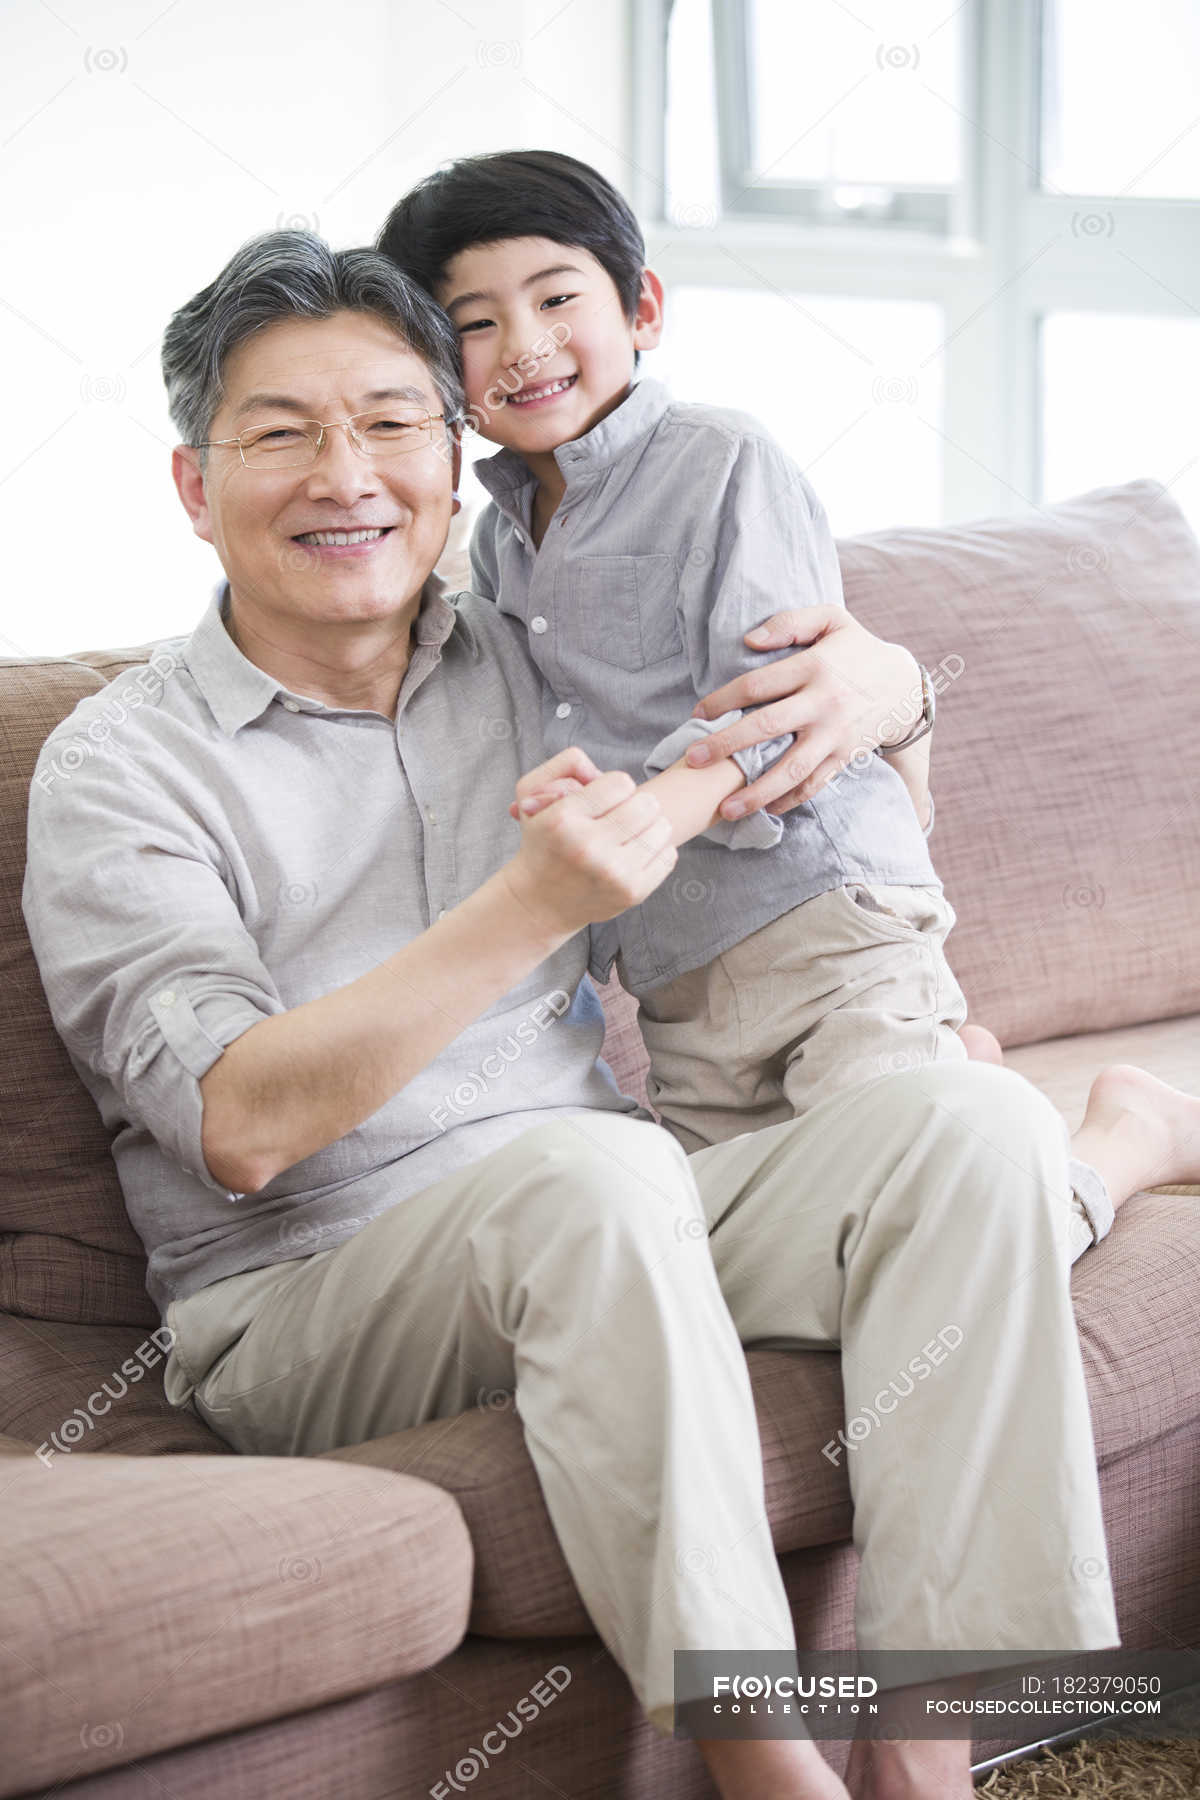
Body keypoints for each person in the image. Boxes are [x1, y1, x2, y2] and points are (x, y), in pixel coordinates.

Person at [24, 230, 1200, 1800]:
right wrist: (530, 903)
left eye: (389, 423)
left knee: (964, 1124)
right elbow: (238, 1124)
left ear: (454, 462)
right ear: (194, 483)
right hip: (312, 1297)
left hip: (633, 1216)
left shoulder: (530, 654)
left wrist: (893, 691)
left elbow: (831, 792)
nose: (346, 474)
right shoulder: (122, 768)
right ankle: (763, 1768)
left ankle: (926, 1752)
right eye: (282, 432)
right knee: (591, 1178)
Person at [377, 151, 1020, 1164]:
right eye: (475, 322)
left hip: (819, 914)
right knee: (732, 1239)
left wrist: (629, 829)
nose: (526, 345)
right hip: (673, 971)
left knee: (916, 1194)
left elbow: (773, 717)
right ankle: (971, 1077)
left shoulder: (722, 460)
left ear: (642, 310)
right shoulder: (499, 538)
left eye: (556, 298)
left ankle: (1115, 1137)